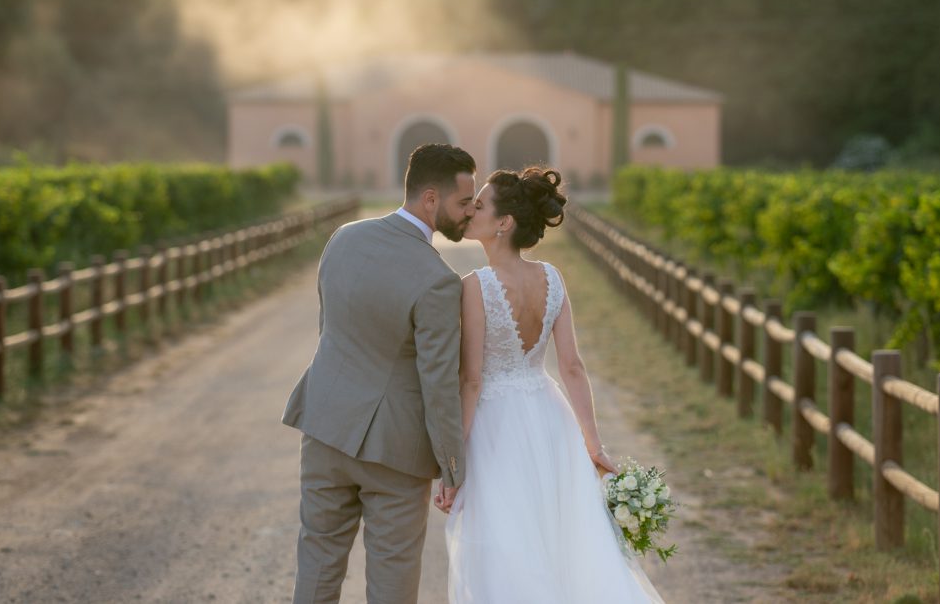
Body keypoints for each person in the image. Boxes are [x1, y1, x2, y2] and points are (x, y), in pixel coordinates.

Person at [443, 166, 665, 604]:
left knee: (509, 543)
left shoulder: (476, 286)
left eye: (481, 205)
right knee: (559, 537)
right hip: (548, 416)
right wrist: (592, 444)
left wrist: (454, 462)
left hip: (496, 427)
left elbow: (470, 381)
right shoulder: (553, 277)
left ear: (504, 223)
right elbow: (572, 367)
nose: (471, 211)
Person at [282, 143, 476, 604]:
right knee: (392, 578)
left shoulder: (344, 237)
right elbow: (439, 382)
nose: (469, 212)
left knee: (317, 562)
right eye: (463, 202)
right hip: (394, 454)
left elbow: (332, 326)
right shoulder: (438, 280)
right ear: (431, 198)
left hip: (325, 428)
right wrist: (453, 466)